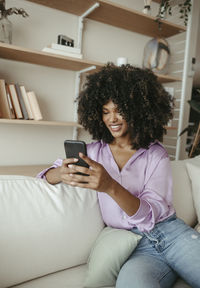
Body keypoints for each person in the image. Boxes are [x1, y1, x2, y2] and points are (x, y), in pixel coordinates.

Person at [37, 63, 200, 288]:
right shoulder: (92, 152)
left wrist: (109, 186)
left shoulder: (155, 154)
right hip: (137, 248)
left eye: (119, 110)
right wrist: (61, 173)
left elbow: (150, 215)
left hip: (173, 236)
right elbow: (43, 177)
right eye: (105, 111)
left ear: (137, 110)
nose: (112, 118)